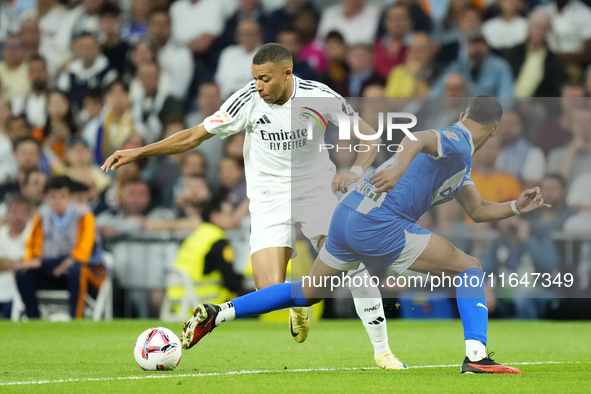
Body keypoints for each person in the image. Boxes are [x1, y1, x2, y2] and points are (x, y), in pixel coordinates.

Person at [180, 96, 551, 374]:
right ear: (495, 129)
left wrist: (516, 207)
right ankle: (476, 358)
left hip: (348, 216)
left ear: (462, 113)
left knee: (309, 292)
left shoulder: (459, 163)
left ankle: (219, 313)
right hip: (380, 221)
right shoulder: (461, 139)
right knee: (468, 267)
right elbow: (417, 138)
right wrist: (397, 169)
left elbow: (478, 210)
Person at [101, 43, 403, 369]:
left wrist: (356, 170)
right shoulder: (247, 100)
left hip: (316, 191)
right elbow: (194, 136)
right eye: (255, 78)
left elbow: (368, 137)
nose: (258, 86)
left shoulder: (319, 96)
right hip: (269, 198)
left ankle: (382, 351)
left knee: (352, 263)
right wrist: (139, 152)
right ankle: (298, 302)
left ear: (287, 74)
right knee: (269, 291)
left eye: (265, 79)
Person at [16, 176, 105, 319]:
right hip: (51, 267)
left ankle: (76, 318)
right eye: (53, 196)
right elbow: (33, 249)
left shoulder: (84, 215)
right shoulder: (41, 216)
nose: (58, 201)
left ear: (70, 197)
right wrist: (39, 263)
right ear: (45, 197)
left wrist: (64, 263)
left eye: (62, 196)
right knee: (23, 273)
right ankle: (33, 318)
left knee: (77, 270)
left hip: (82, 269)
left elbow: (84, 250)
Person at [0, 195, 32, 318]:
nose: (18, 216)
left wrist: (4, 263)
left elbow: (35, 262)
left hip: (19, 295)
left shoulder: (33, 236)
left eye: (23, 212)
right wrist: (20, 263)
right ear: (7, 214)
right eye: (14, 212)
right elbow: (27, 262)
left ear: (29, 215)